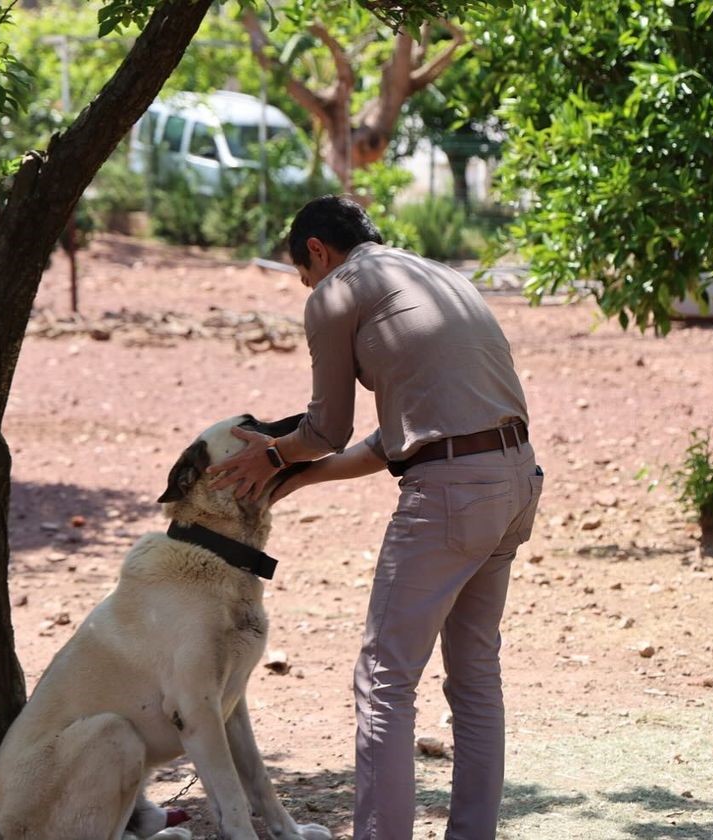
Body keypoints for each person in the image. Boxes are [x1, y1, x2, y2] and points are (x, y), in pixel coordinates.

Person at [209, 195, 543, 840]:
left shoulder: (338, 289)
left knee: (384, 680)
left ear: (316, 250)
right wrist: (294, 477)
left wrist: (274, 455)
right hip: (514, 479)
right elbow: (400, 438)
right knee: (475, 677)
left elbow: (327, 428)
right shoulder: (438, 277)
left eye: (306, 276)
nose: (311, 290)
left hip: (450, 493)